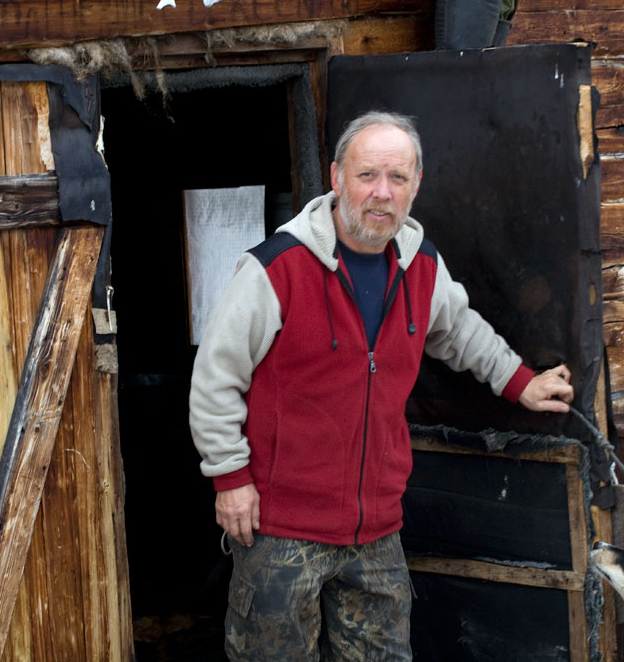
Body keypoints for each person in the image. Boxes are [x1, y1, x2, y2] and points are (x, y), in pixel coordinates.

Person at [188, 110, 574, 661]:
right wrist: (229, 477)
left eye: (398, 178)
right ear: (337, 177)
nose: (382, 193)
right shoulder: (276, 268)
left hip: (375, 532)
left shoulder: (421, 266)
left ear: (417, 185)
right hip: (280, 527)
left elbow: (460, 331)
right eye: (368, 175)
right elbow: (214, 379)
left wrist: (521, 383)